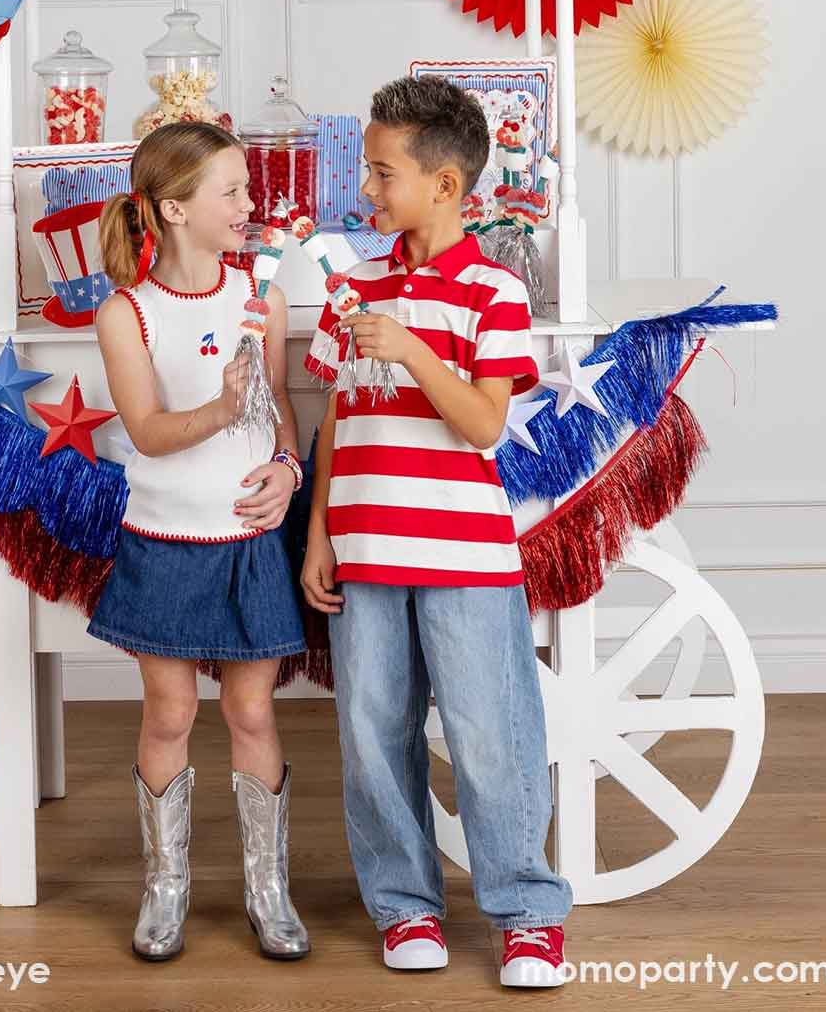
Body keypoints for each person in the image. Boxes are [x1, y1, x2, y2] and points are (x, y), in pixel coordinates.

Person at [300, 76, 573, 990]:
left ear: (447, 185)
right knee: (373, 733)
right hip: (366, 551)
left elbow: (486, 426)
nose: (368, 191)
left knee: (491, 732)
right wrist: (318, 536)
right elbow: (338, 416)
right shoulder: (354, 288)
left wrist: (414, 347)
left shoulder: (493, 293)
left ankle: (528, 912)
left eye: (382, 174)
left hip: (463, 556)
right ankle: (404, 904)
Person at [88, 121, 310, 963]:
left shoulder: (262, 299)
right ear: (174, 210)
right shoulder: (127, 314)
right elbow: (145, 431)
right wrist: (220, 410)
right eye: (233, 193)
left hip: (248, 543)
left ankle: (267, 890)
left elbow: (282, 409)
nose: (250, 206)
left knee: (250, 708)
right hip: (166, 543)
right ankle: (166, 887)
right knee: (171, 711)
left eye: (248, 190)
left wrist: (287, 467)